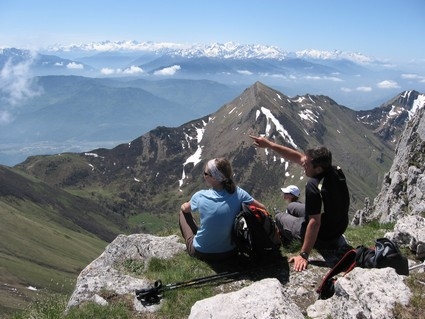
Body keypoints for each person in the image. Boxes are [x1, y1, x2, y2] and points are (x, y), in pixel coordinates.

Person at [250, 135, 350, 272]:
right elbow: (298, 157)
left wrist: (304, 255)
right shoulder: (336, 170)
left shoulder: (314, 186)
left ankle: (287, 241)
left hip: (324, 236)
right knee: (291, 206)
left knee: (279, 217)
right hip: (339, 226)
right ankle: (294, 228)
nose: (303, 164)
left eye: (307, 164)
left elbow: (315, 222)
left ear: (318, 169)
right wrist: (269, 145)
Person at [179, 157, 266, 261]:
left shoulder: (200, 196)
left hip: (202, 252)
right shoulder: (239, 193)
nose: (204, 176)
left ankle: (199, 241)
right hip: (230, 252)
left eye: (206, 174)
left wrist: (188, 203)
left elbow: (185, 209)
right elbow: (262, 208)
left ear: (215, 178)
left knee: (182, 212)